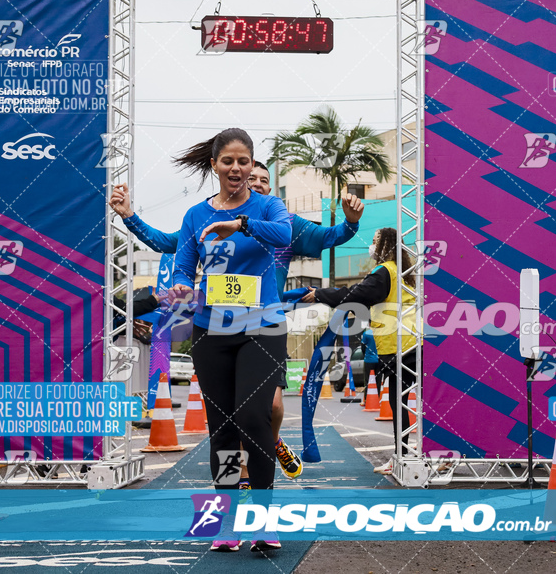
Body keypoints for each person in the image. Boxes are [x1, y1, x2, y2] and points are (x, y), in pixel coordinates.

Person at [109, 161, 364, 483]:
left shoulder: (282, 221)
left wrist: (351, 224)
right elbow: (167, 244)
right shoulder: (206, 218)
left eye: (263, 180)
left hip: (262, 325)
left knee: (269, 408)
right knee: (229, 418)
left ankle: (266, 453)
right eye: (250, 177)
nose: (255, 183)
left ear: (269, 190)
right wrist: (129, 217)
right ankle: (235, 484)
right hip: (215, 327)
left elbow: (329, 236)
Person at [169, 128, 290, 552]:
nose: (236, 169)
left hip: (263, 325)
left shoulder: (268, 206)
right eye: (228, 162)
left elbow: (285, 236)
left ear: (252, 165)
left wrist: (239, 223)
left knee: (254, 417)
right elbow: (184, 265)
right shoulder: (194, 216)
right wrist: (183, 286)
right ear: (214, 166)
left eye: (244, 161)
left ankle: (263, 518)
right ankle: (225, 522)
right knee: (221, 429)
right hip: (210, 329)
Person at [302, 227, 418, 475]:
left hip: (400, 345)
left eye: (375, 241)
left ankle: (403, 457)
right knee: (406, 402)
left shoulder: (384, 271)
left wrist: (320, 294)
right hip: (410, 341)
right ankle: (411, 455)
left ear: (386, 245)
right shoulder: (403, 272)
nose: (372, 246)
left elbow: (355, 294)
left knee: (400, 403)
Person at [361, 326, 379, 395]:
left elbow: (363, 347)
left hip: (369, 360)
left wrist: (365, 355)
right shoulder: (380, 333)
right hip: (378, 360)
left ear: (369, 323)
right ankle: (378, 397)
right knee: (378, 380)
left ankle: (367, 398)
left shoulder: (366, 334)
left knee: (368, 380)